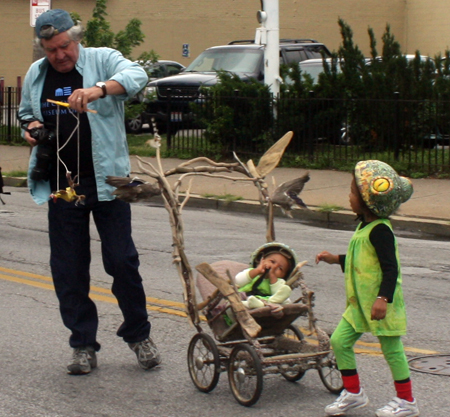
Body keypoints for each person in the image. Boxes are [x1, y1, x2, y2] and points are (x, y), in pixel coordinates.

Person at [17, 9, 161, 375]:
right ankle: (82, 345)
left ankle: (139, 336)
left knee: (123, 262)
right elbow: (25, 115)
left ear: (75, 38)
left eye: (64, 46)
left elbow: (138, 75)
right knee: (68, 271)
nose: (59, 55)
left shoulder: (102, 59)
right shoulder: (37, 74)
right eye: (51, 50)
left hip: (111, 183)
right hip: (62, 187)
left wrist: (99, 90)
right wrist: (32, 127)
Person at [315, 160, 419, 417]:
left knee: (392, 350)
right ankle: (353, 393)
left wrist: (383, 298)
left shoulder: (381, 231)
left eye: (352, 192)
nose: (349, 197)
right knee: (339, 341)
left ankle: (406, 401)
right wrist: (336, 259)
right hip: (359, 304)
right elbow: (361, 260)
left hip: (381, 303)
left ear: (369, 200)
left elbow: (390, 269)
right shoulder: (365, 226)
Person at [235, 242, 297, 309]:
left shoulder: (279, 282)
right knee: (238, 297)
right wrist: (257, 271)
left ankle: (259, 305)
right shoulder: (252, 272)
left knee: (284, 299)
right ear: (262, 260)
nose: (274, 267)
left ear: (284, 275)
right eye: (272, 262)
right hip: (245, 298)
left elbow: (279, 294)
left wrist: (273, 278)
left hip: (266, 302)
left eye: (280, 268)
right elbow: (238, 281)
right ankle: (251, 304)